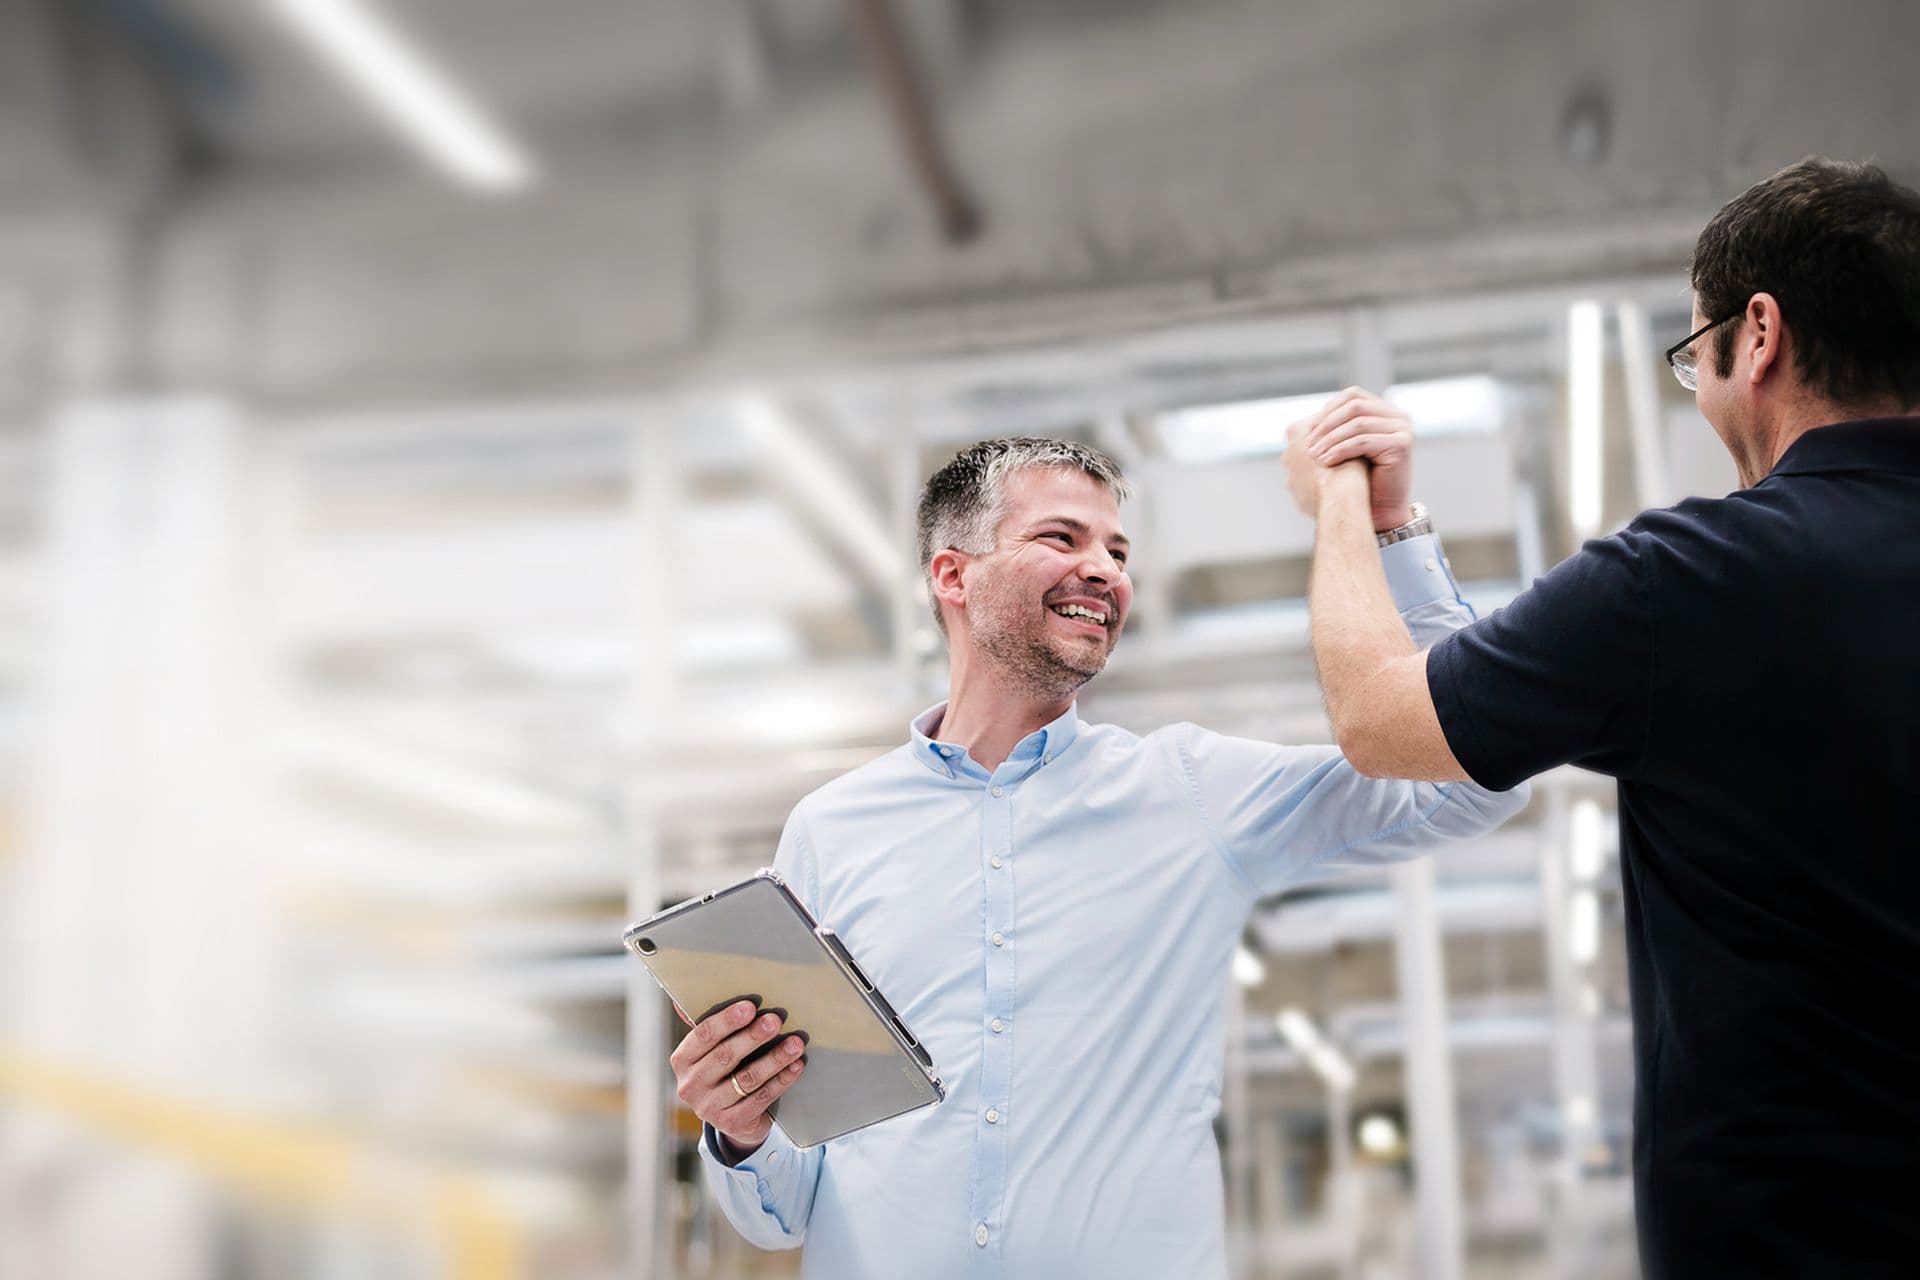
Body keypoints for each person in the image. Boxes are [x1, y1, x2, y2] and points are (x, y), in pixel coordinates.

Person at [666, 436, 1528, 1277]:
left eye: (1117, 549)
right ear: (953, 575)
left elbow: (1472, 781)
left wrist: (1388, 531)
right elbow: (784, 1214)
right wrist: (741, 1131)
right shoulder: (832, 828)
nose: (1107, 570)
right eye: (1061, 538)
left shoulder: (1190, 788)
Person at [1284, 157, 1920, 1277]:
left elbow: (1383, 720)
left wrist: (1340, 500)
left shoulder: (1691, 582)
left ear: (1757, 333)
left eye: (1695, 354)